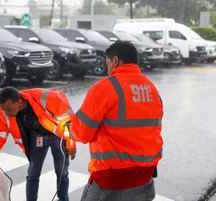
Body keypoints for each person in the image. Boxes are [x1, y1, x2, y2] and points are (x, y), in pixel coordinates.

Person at [70, 40, 163, 201]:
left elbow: (82, 134)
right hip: (145, 177)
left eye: (107, 64)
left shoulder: (105, 87)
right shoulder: (152, 89)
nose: (108, 69)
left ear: (115, 61)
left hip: (112, 182)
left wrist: (70, 127)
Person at [0, 87, 76, 201]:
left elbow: (68, 121)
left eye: (9, 110)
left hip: (57, 135)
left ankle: (63, 199)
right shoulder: (4, 112)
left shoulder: (49, 98)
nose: (6, 113)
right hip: (37, 136)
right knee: (33, 173)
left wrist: (71, 143)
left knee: (61, 172)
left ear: (19, 103)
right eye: (4, 110)